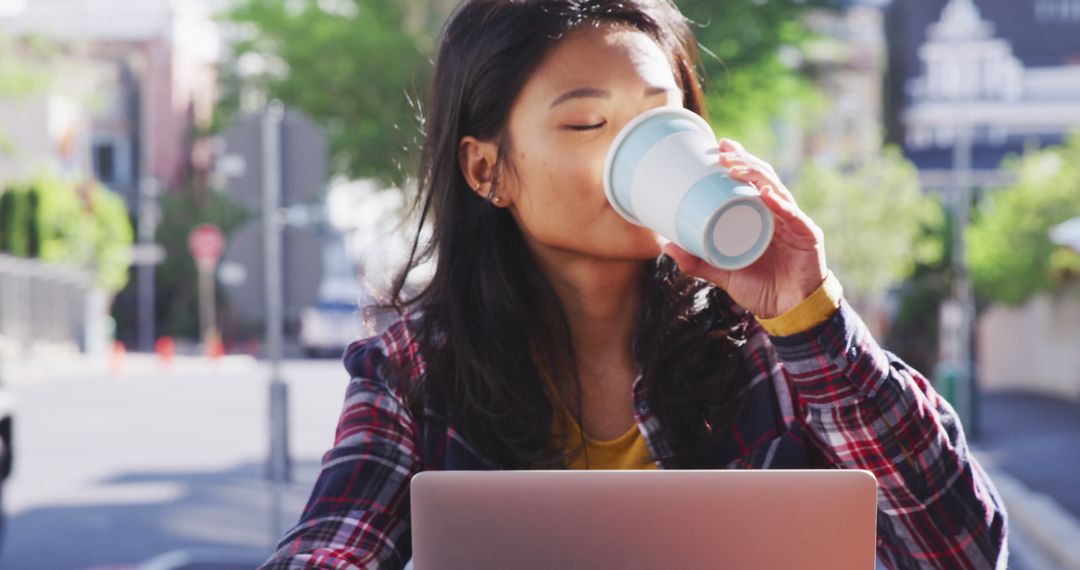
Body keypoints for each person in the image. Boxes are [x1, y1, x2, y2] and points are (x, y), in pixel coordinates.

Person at [260, 1, 1007, 568]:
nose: (637, 149)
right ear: (488, 170)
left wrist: (809, 315)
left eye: (660, 116)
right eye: (588, 123)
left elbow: (963, 550)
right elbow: (331, 547)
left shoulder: (774, 347)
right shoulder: (416, 371)